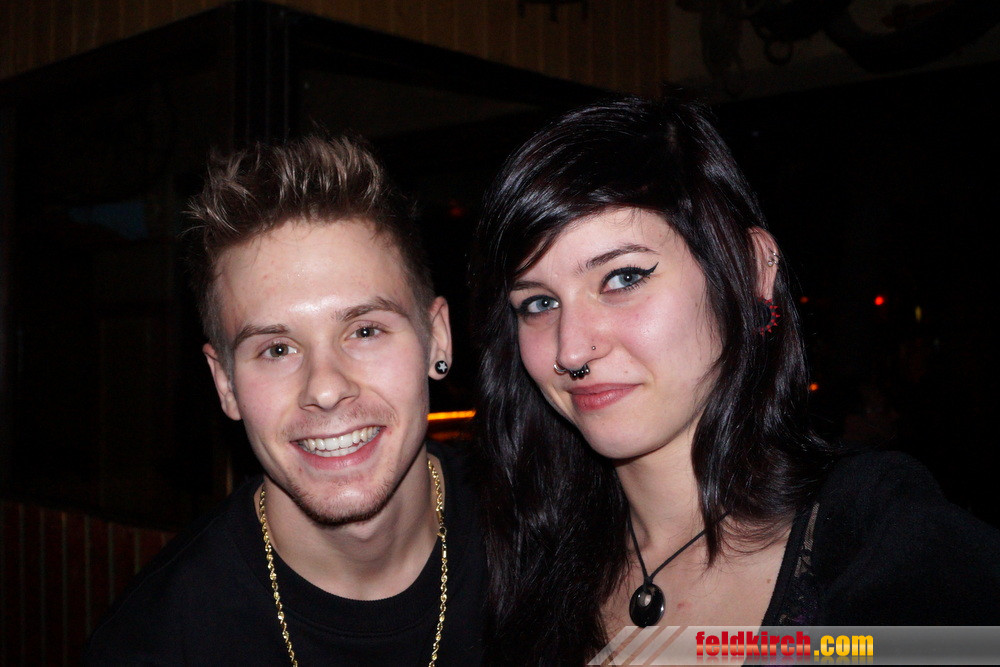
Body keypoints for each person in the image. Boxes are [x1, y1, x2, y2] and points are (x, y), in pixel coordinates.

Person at [469, 95, 1000, 664]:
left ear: (750, 269)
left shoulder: (883, 537)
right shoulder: (512, 558)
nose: (571, 348)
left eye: (622, 277)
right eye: (539, 302)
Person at [85, 135, 485, 665]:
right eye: (277, 349)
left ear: (437, 340)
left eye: (365, 331)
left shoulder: (551, 536)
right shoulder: (156, 641)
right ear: (225, 383)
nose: (325, 388)